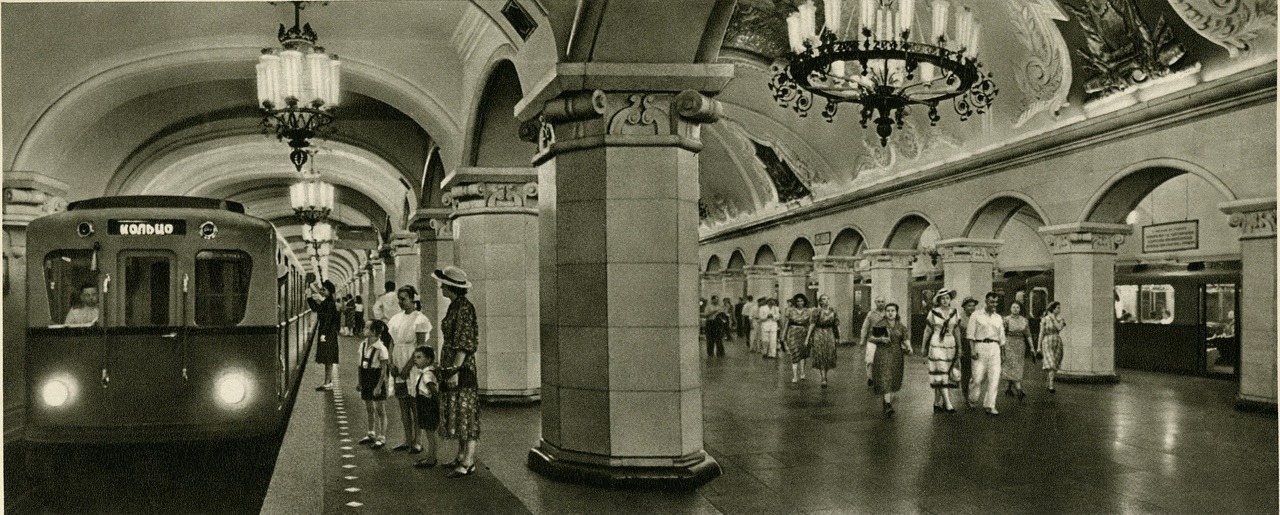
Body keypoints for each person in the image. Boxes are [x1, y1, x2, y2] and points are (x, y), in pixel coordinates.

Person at [433, 265, 481, 478]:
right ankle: (461, 455)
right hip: (454, 365)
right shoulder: (456, 306)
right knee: (459, 410)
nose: (441, 286)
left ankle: (468, 460)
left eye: (444, 283)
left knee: (465, 411)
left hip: (461, 368)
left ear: (451, 287)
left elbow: (464, 342)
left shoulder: (463, 308)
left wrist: (454, 371)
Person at [388, 285, 433, 454]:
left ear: (413, 299)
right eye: (399, 299)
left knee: (415, 405)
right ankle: (407, 440)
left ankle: (417, 441)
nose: (401, 302)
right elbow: (392, 342)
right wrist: (392, 363)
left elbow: (420, 347)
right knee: (403, 405)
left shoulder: (420, 319)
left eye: (404, 299)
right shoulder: (395, 319)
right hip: (398, 364)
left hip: (413, 366)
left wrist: (408, 367)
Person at [922, 290, 961, 413]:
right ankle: (948, 404)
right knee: (942, 372)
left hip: (950, 344)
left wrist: (959, 347)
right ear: (939, 300)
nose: (945, 300)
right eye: (942, 298)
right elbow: (928, 330)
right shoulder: (933, 312)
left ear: (950, 300)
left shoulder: (955, 313)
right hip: (937, 343)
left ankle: (937, 402)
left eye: (947, 298)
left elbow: (956, 330)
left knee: (943, 374)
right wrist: (923, 346)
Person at [968, 292, 1006, 415]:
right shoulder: (976, 315)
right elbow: (970, 335)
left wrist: (1003, 353)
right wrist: (972, 350)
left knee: (994, 378)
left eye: (996, 302)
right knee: (977, 378)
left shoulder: (998, 318)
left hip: (995, 348)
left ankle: (990, 405)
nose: (994, 305)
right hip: (980, 346)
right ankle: (972, 400)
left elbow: (1002, 338)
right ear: (986, 301)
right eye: (991, 302)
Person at [869, 303, 910, 416]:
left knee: (893, 377)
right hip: (882, 354)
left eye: (893, 311)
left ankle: (886, 399)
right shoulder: (880, 324)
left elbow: (905, 338)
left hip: (896, 354)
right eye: (888, 311)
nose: (890, 313)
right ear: (885, 313)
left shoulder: (900, 326)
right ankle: (888, 404)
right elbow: (871, 338)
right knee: (885, 377)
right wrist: (881, 339)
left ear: (896, 312)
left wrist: (909, 347)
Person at [357, 320, 391, 449]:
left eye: (367, 328)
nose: (364, 329)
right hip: (365, 377)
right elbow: (359, 365)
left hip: (376, 378)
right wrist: (359, 381)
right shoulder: (363, 345)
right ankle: (371, 433)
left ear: (375, 332)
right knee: (369, 408)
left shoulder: (382, 349)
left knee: (380, 409)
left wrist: (378, 386)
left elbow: (383, 370)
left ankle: (382, 436)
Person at [409, 346, 441, 468]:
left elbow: (434, 392)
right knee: (429, 433)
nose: (415, 360)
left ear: (428, 359)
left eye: (419, 357)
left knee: (431, 433)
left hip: (428, 406)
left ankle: (432, 458)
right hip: (424, 405)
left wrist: (438, 407)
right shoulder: (424, 373)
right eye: (415, 357)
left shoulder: (427, 375)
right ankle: (430, 455)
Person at [310, 280, 341, 391]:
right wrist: (309, 298)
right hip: (329, 333)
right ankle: (328, 381)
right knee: (328, 358)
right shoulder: (328, 301)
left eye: (324, 289)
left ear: (329, 291)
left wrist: (323, 334)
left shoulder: (329, 303)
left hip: (328, 333)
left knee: (328, 359)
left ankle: (327, 383)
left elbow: (327, 320)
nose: (321, 291)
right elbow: (316, 309)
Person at [806, 294, 840, 387]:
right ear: (820, 302)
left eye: (828, 299)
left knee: (829, 354)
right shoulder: (816, 311)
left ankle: (825, 373)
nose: (826, 300)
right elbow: (812, 325)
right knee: (820, 354)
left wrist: (838, 337)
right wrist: (807, 338)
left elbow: (836, 324)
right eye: (824, 299)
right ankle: (823, 378)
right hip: (819, 333)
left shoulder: (833, 310)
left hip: (830, 333)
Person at [1001, 300, 1033, 402]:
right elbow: (1002, 334)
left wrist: (1032, 347)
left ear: (1020, 309)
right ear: (1010, 308)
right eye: (1014, 307)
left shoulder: (1024, 320)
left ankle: (1008, 388)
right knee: (1011, 365)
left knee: (1017, 366)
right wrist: (1001, 346)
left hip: (1020, 345)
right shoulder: (1006, 319)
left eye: (1017, 307)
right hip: (1009, 344)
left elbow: (1028, 334)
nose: (1015, 309)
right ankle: (1019, 390)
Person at [859, 297, 888, 387]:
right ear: (875, 303)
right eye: (878, 302)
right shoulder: (871, 314)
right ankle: (870, 377)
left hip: (885, 340)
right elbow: (865, 327)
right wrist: (862, 339)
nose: (880, 303)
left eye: (882, 301)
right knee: (870, 360)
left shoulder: (888, 313)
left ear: (885, 303)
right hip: (872, 339)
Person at [957, 296, 979, 401]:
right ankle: (965, 393)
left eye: (973, 306)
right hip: (964, 344)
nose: (972, 308)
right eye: (969, 305)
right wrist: (959, 348)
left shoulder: (977, 317)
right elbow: (955, 333)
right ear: (964, 307)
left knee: (976, 371)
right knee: (966, 370)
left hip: (976, 345)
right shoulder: (960, 318)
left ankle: (973, 392)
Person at [1040, 301, 1066, 393]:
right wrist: (1038, 347)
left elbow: (1059, 328)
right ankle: (1051, 385)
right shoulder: (1045, 319)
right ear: (1053, 309)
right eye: (1057, 308)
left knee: (1055, 363)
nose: (1059, 310)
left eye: (1059, 308)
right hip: (1047, 341)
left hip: (1057, 341)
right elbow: (1041, 332)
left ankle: (1048, 382)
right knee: (1051, 363)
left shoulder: (1061, 319)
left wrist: (1054, 319)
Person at [785, 293, 812, 383]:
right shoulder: (790, 311)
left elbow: (810, 324)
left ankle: (803, 372)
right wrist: (783, 335)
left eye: (802, 301)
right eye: (798, 301)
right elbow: (787, 323)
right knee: (794, 353)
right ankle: (795, 375)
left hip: (804, 332)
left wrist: (809, 336)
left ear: (804, 301)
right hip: (792, 332)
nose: (800, 303)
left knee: (803, 353)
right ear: (795, 302)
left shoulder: (808, 311)